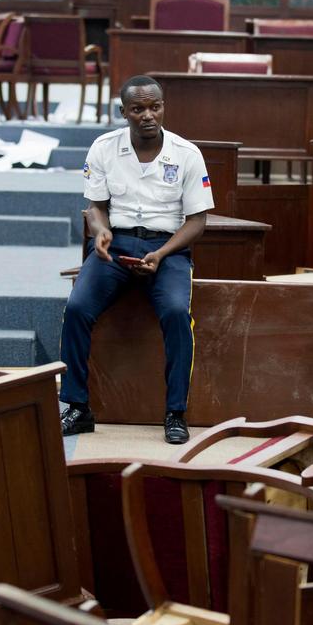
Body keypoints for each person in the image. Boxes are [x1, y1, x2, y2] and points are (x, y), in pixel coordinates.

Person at [58, 75, 213, 445]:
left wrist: (161, 253)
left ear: (163, 107)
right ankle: (78, 407)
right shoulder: (104, 147)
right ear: (124, 112)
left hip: (168, 249)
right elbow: (95, 207)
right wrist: (101, 232)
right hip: (117, 246)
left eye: (154, 107)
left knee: (177, 313)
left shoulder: (186, 154)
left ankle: (175, 413)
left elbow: (198, 221)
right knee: (77, 307)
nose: (148, 115)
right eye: (138, 109)